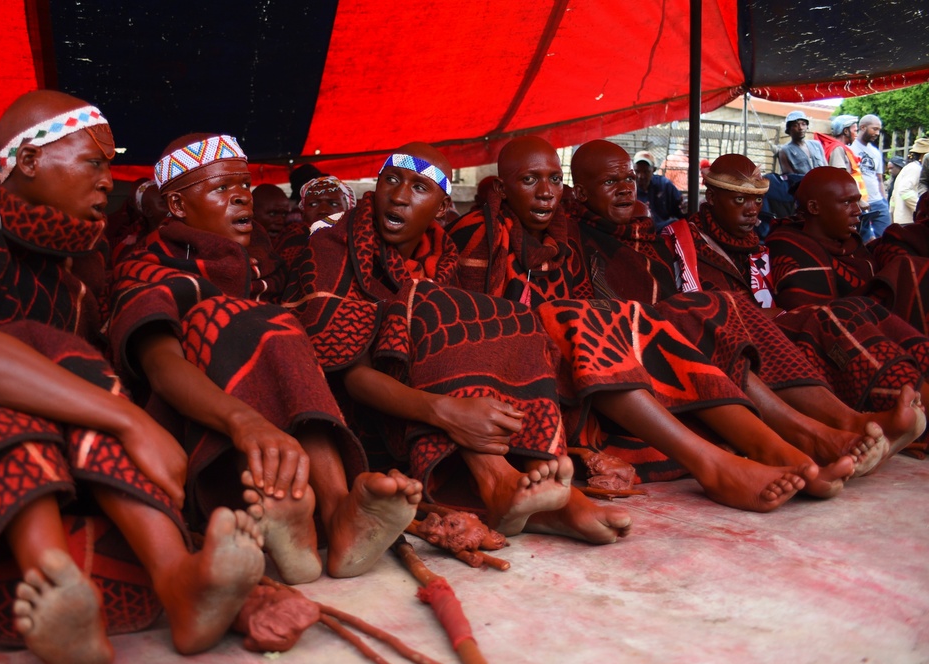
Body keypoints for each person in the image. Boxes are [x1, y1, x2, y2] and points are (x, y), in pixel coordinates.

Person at [0, 90, 265, 664]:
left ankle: (179, 582)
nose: (107, 180)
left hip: (64, 428)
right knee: (22, 345)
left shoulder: (83, 262)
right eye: (94, 162)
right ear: (27, 161)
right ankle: (53, 581)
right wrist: (131, 420)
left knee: (65, 359)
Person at [447, 135, 834, 509]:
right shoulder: (481, 234)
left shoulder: (562, 239)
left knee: (699, 310)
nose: (547, 192)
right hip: (530, 375)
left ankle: (788, 437)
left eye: (553, 179)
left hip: (592, 363)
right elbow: (477, 329)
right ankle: (714, 463)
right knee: (579, 317)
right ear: (501, 186)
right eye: (530, 180)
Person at [109, 133, 419, 583]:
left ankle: (330, 511)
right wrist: (244, 422)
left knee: (284, 326)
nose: (241, 197)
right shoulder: (145, 265)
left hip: (267, 439)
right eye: (221, 188)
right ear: (175, 205)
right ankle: (290, 503)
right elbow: (161, 368)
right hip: (194, 436)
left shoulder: (254, 267)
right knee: (234, 316)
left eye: (243, 185)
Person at [284, 142, 635, 541]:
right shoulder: (331, 248)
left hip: (428, 408)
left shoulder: (444, 255)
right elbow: (348, 376)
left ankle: (532, 482)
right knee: (431, 306)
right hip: (356, 413)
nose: (399, 196)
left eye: (419, 187)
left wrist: (460, 409)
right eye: (392, 181)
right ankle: (503, 483)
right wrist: (445, 410)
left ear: (440, 209)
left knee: (510, 317)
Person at [571, 141, 889, 483]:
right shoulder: (584, 239)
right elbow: (598, 314)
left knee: (724, 310)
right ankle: (790, 440)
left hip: (666, 349)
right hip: (626, 362)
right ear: (580, 193)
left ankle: (824, 426)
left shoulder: (646, 237)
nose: (625, 188)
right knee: (705, 308)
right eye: (609, 182)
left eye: (629, 178)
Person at [665, 153, 925, 451]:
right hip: (722, 341)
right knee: (832, 317)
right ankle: (854, 422)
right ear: (711, 197)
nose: (752, 210)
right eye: (740, 200)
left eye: (757, 200)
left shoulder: (757, 249)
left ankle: (893, 407)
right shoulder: (679, 241)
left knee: (852, 312)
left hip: (766, 333)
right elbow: (694, 308)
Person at [766, 166, 929, 340]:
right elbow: (816, 323)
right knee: (910, 269)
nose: (858, 210)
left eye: (857, 201)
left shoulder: (854, 246)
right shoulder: (793, 249)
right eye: (846, 202)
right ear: (814, 207)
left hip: (876, 328)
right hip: (840, 344)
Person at [273, 174, 356, 270]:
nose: (323, 210)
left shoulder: (359, 244)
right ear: (303, 214)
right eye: (313, 204)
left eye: (333, 204)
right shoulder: (290, 243)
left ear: (349, 211)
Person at [850, 114, 890, 241]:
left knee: (886, 240)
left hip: (878, 202)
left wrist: (884, 201)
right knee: (864, 242)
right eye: (874, 129)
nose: (877, 133)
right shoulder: (851, 149)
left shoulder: (875, 152)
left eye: (879, 130)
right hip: (860, 203)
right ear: (862, 127)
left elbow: (879, 179)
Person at [633, 150, 684, 229]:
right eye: (637, 171)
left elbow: (680, 208)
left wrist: (684, 207)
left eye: (646, 172)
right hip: (639, 230)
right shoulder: (629, 189)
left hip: (663, 229)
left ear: (654, 170)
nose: (640, 176)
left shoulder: (664, 185)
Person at [890, 139, 928, 224]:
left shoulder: (908, 168)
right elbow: (904, 190)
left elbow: (894, 196)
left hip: (901, 220)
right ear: (923, 156)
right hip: (909, 220)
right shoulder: (916, 169)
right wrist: (922, 210)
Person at [777, 110, 826, 175]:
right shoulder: (784, 151)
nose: (800, 128)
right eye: (795, 125)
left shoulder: (816, 145)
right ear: (789, 129)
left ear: (807, 127)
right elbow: (790, 178)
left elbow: (826, 168)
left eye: (803, 124)